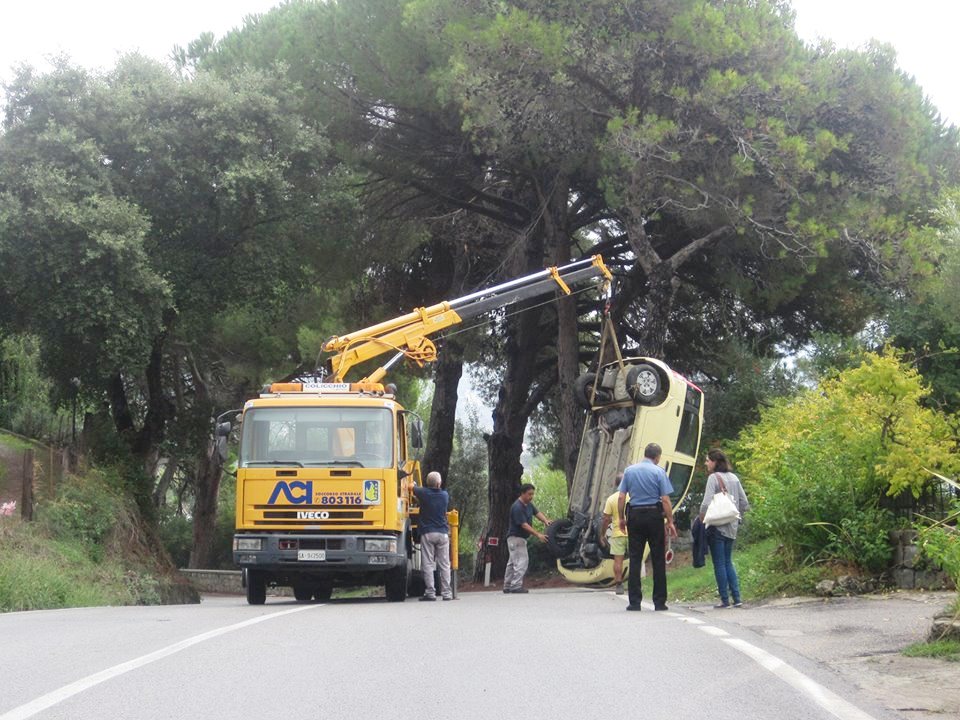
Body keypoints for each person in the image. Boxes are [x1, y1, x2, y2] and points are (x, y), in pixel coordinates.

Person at [618, 443, 677, 611]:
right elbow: (665, 500)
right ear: (657, 457)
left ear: (645, 454)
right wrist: (670, 521)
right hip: (654, 516)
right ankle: (659, 602)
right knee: (658, 558)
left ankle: (634, 602)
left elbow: (621, 497)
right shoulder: (659, 472)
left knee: (635, 558)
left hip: (635, 516)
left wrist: (622, 518)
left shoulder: (629, 471)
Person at [699, 448, 750, 609]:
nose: (706, 463)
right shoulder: (734, 478)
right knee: (728, 561)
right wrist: (736, 517)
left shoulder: (713, 478)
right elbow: (744, 503)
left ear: (714, 462)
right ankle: (737, 597)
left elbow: (706, 503)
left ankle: (724, 599)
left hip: (716, 527)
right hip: (732, 526)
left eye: (708, 460)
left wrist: (702, 519)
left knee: (719, 563)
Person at [503, 483, 552, 594]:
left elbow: (537, 513)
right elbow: (524, 525)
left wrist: (545, 520)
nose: (531, 496)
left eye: (532, 494)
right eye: (529, 494)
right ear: (523, 493)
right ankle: (515, 585)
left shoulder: (528, 504)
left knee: (512, 562)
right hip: (516, 538)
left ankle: (507, 585)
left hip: (518, 539)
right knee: (522, 561)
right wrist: (538, 534)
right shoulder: (517, 507)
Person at [413, 471, 453, 601]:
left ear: (427, 483)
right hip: (442, 533)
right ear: (439, 483)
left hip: (428, 533)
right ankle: (447, 593)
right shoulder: (444, 495)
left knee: (428, 564)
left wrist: (413, 484)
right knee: (445, 564)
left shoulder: (423, 493)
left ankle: (430, 593)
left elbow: (411, 487)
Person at [600, 473, 629, 595]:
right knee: (636, 558)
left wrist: (602, 534)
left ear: (616, 484)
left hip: (617, 533)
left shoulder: (611, 499)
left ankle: (619, 584)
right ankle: (635, 583)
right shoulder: (633, 496)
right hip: (634, 532)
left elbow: (606, 519)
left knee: (618, 560)